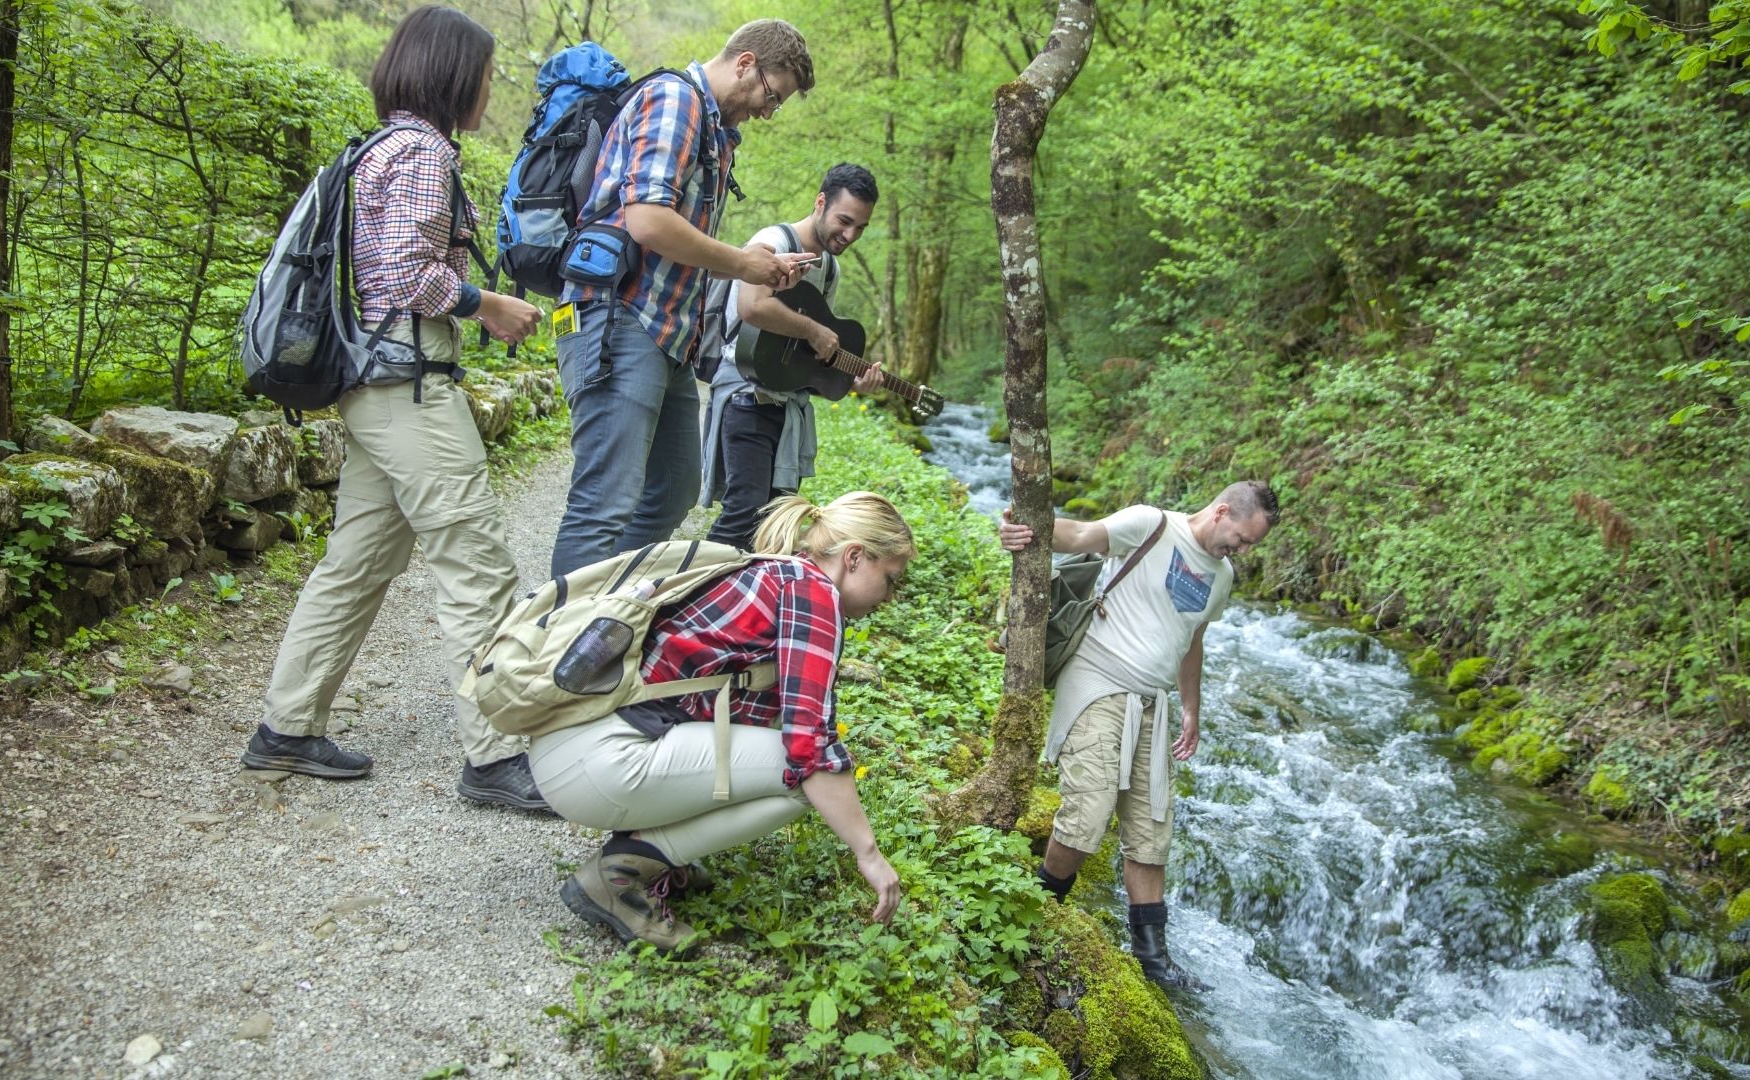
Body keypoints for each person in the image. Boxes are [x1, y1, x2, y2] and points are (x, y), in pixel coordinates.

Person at [240, 5, 553, 812]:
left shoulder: (381, 146)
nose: (491, 90)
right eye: (487, 76)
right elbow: (406, 275)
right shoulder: (420, 153)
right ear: (455, 75)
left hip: (372, 389)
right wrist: (488, 304)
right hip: (407, 388)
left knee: (359, 560)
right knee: (477, 563)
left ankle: (287, 727)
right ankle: (495, 757)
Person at [533, 492, 911, 951]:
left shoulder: (777, 571)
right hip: (600, 759)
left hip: (575, 745)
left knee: (794, 765)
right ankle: (624, 869)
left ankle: (647, 847)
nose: (890, 597)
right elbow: (808, 742)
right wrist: (868, 855)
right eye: (890, 579)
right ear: (854, 557)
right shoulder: (813, 593)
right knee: (803, 777)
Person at [548, 20, 820, 578]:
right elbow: (648, 221)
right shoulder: (676, 100)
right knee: (603, 504)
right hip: (615, 322)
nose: (769, 112)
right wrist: (746, 263)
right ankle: (550, 650)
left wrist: (761, 269)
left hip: (663, 334)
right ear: (745, 63)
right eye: (772, 95)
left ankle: (607, 614)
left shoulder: (716, 132)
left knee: (673, 490)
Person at [998, 481, 1280, 985]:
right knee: (1090, 807)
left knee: (1152, 829)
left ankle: (1152, 959)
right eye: (1241, 538)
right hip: (1098, 678)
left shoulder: (1222, 577)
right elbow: (1081, 534)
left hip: (1153, 698)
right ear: (1220, 512)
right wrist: (1027, 531)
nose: (1241, 551)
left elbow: (1193, 640)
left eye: (1249, 546)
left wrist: (1190, 708)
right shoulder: (1152, 524)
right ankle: (1035, 916)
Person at [700, 163, 886, 551]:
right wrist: (814, 331)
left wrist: (851, 378)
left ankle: (748, 606)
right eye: (845, 221)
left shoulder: (829, 269)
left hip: (786, 404)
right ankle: (693, 596)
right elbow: (752, 306)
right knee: (742, 513)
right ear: (820, 203)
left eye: (861, 228)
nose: (850, 235)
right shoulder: (775, 240)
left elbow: (807, 358)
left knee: (774, 523)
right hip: (745, 395)